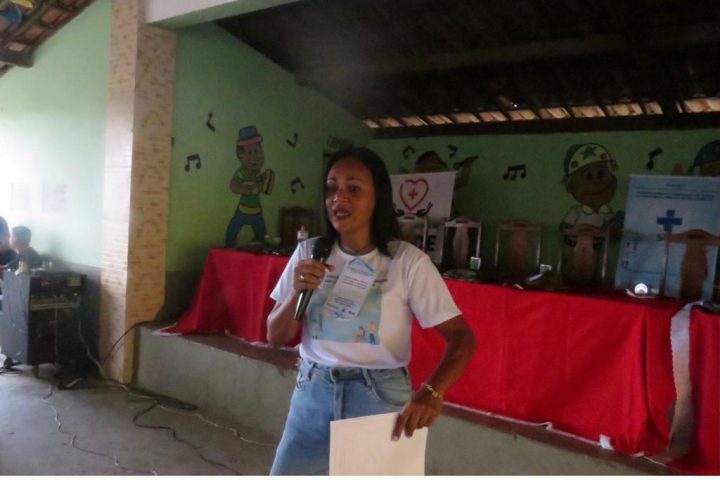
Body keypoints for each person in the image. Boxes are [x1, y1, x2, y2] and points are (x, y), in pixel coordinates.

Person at [266, 147, 476, 475]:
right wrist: (296, 291)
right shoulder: (309, 252)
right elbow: (275, 336)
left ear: (378, 197)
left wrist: (432, 391)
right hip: (312, 392)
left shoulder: (407, 262)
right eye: (332, 188)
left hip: (377, 398)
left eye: (353, 188)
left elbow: (462, 338)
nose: (339, 198)